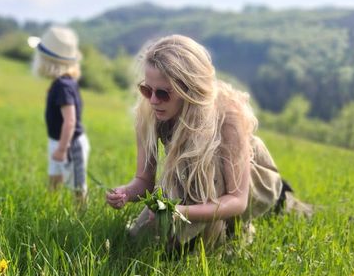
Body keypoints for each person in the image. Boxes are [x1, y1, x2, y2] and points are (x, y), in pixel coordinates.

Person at [105, 34, 311, 248]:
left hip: (248, 183)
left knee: (214, 238)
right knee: (137, 240)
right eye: (147, 90)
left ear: (189, 90)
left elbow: (237, 201)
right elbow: (144, 181)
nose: (153, 100)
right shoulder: (149, 112)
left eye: (163, 93)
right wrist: (126, 193)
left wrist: (179, 212)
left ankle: (271, 212)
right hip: (190, 180)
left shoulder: (228, 117)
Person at [33, 26, 90, 200]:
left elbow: (70, 121)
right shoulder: (62, 83)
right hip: (58, 141)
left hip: (70, 145)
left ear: (46, 61)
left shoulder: (63, 86)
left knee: (77, 185)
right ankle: (50, 206)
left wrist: (62, 148)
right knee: (54, 177)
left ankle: (81, 215)